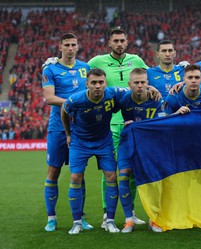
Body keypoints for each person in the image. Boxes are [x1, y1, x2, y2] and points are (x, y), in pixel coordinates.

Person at [88, 28, 147, 226]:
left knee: (133, 171)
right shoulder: (97, 61)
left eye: (122, 40)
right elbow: (81, 73)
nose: (119, 43)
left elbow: (148, 80)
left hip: (134, 123)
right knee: (110, 170)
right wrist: (55, 59)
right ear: (109, 43)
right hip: (110, 124)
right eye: (116, 40)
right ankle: (107, 213)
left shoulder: (137, 60)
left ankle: (130, 212)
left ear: (127, 41)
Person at [41, 33, 92, 232]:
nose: (70, 48)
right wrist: (75, 102)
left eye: (73, 45)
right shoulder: (50, 68)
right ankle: (51, 218)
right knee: (54, 171)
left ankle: (80, 218)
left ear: (78, 47)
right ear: (60, 47)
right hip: (58, 128)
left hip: (80, 128)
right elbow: (49, 98)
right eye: (67, 45)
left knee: (79, 173)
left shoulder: (85, 68)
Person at [60, 68, 120, 234]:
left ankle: (110, 220)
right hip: (80, 142)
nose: (97, 86)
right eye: (93, 83)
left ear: (106, 83)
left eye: (101, 82)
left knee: (112, 176)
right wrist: (68, 133)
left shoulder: (113, 93)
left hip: (104, 141)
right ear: (87, 84)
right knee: (75, 176)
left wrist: (151, 88)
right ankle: (77, 222)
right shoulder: (76, 99)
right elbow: (64, 110)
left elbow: (132, 92)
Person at [116, 68, 166, 233]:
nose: (139, 85)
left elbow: (162, 123)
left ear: (147, 83)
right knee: (124, 175)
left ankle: (154, 219)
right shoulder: (123, 99)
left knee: (152, 178)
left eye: (143, 82)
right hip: (127, 141)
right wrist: (123, 125)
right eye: (136, 83)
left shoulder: (156, 99)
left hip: (149, 143)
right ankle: (128, 220)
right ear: (129, 84)